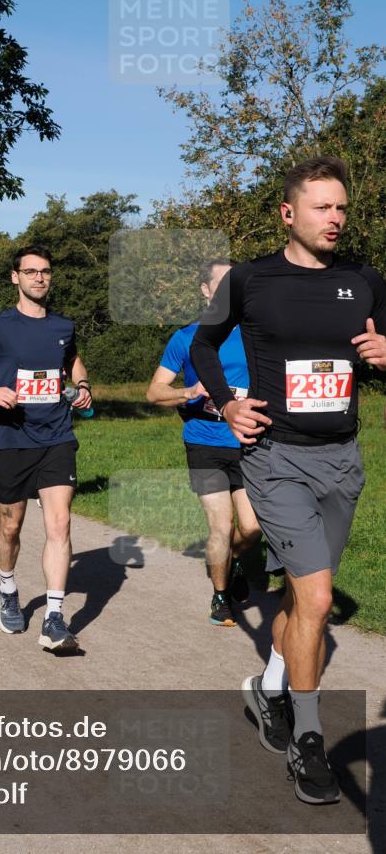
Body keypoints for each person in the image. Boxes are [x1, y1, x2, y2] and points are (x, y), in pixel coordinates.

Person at [191, 156, 386, 805]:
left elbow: (381, 351)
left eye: (342, 207)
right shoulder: (249, 279)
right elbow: (203, 345)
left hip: (343, 458)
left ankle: (267, 688)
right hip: (275, 458)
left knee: (306, 601)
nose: (336, 218)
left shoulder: (364, 280)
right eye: (322, 207)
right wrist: (227, 403)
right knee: (319, 598)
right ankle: (308, 740)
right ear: (287, 212)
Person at [0, 246, 93, 653]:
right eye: (30, 272)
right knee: (11, 525)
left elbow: (73, 360)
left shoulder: (63, 325)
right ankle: (7, 588)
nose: (39, 278)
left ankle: (54, 618)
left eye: (45, 271)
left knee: (59, 523)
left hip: (57, 435)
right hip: (11, 438)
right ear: (15, 277)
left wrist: (82, 384)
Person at [146, 259, 261, 626]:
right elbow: (154, 392)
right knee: (220, 526)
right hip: (204, 440)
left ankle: (233, 560)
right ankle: (220, 596)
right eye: (221, 284)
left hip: (249, 441)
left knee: (252, 528)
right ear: (205, 290)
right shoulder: (186, 337)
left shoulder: (257, 333)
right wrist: (189, 392)